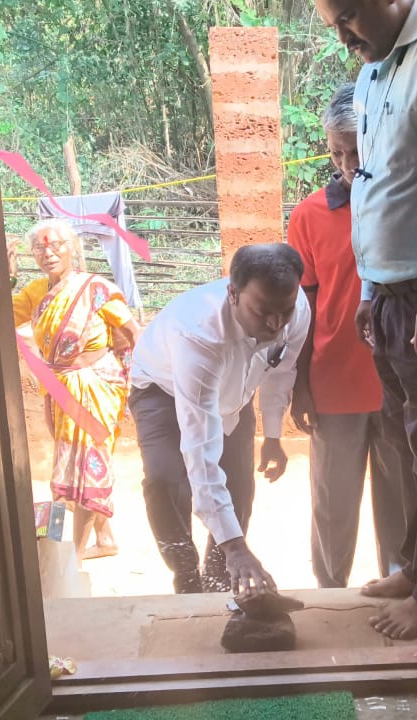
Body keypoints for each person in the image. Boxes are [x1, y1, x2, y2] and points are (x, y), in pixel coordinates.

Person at [313, 0, 417, 639]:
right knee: (407, 446)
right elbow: (376, 184)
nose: (343, 37)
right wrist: (370, 289)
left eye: (348, 16)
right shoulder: (374, 69)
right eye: (333, 25)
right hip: (391, 296)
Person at [128, 243, 310, 598]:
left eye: (283, 312)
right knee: (166, 479)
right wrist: (237, 548)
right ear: (233, 294)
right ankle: (186, 575)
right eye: (262, 312)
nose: (275, 324)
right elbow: (200, 449)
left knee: (239, 488)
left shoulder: (297, 305)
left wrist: (273, 435)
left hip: (234, 396)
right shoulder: (198, 333)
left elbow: (281, 369)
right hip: (162, 388)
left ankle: (220, 575)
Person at [288, 82, 410, 589]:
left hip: (400, 382)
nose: (346, 164)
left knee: (401, 498)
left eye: (355, 151)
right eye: (336, 152)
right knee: (333, 502)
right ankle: (330, 589)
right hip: (334, 384)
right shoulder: (309, 216)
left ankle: (399, 582)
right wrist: (299, 384)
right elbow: (303, 309)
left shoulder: (406, 206)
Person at [13, 220, 140, 565]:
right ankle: (104, 538)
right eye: (40, 247)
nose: (48, 253)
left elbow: (132, 331)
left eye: (56, 245)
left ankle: (74, 559)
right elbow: (2, 315)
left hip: (95, 386)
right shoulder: (35, 292)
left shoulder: (94, 288)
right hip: (59, 389)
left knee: (83, 468)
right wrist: (7, 277)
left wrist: (140, 381)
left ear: (72, 248)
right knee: (74, 465)